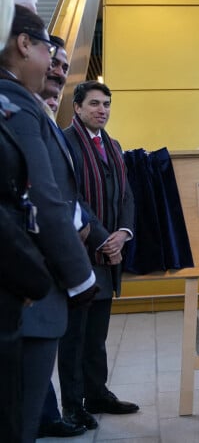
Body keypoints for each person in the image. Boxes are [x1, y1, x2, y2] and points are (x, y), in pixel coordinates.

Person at [0, 5, 98, 443]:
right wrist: (81, 278)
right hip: (29, 285)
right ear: (24, 44)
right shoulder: (16, 104)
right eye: (48, 53)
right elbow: (42, 195)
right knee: (17, 422)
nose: (54, 68)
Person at [59, 80, 138, 428]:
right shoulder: (64, 142)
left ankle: (97, 393)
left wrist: (123, 233)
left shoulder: (114, 145)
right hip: (82, 252)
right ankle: (73, 405)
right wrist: (104, 240)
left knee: (97, 334)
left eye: (106, 104)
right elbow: (71, 197)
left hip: (110, 253)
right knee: (75, 335)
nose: (101, 110)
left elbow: (126, 196)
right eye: (94, 104)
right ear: (77, 107)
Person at [37, 36, 92, 438]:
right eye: (51, 61)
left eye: (62, 65)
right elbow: (45, 193)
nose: (58, 71)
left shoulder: (45, 124)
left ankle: (51, 413)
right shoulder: (24, 120)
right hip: (38, 258)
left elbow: (72, 194)